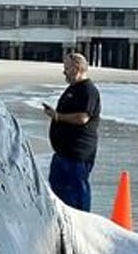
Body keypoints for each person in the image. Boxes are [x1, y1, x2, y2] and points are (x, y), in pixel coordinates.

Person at [41, 51, 101, 212]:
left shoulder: (88, 90)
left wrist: (57, 116)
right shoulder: (72, 89)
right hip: (62, 152)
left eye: (67, 67)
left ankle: (83, 221)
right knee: (57, 190)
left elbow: (83, 118)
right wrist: (55, 115)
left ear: (77, 68)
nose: (64, 71)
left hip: (78, 153)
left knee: (77, 192)